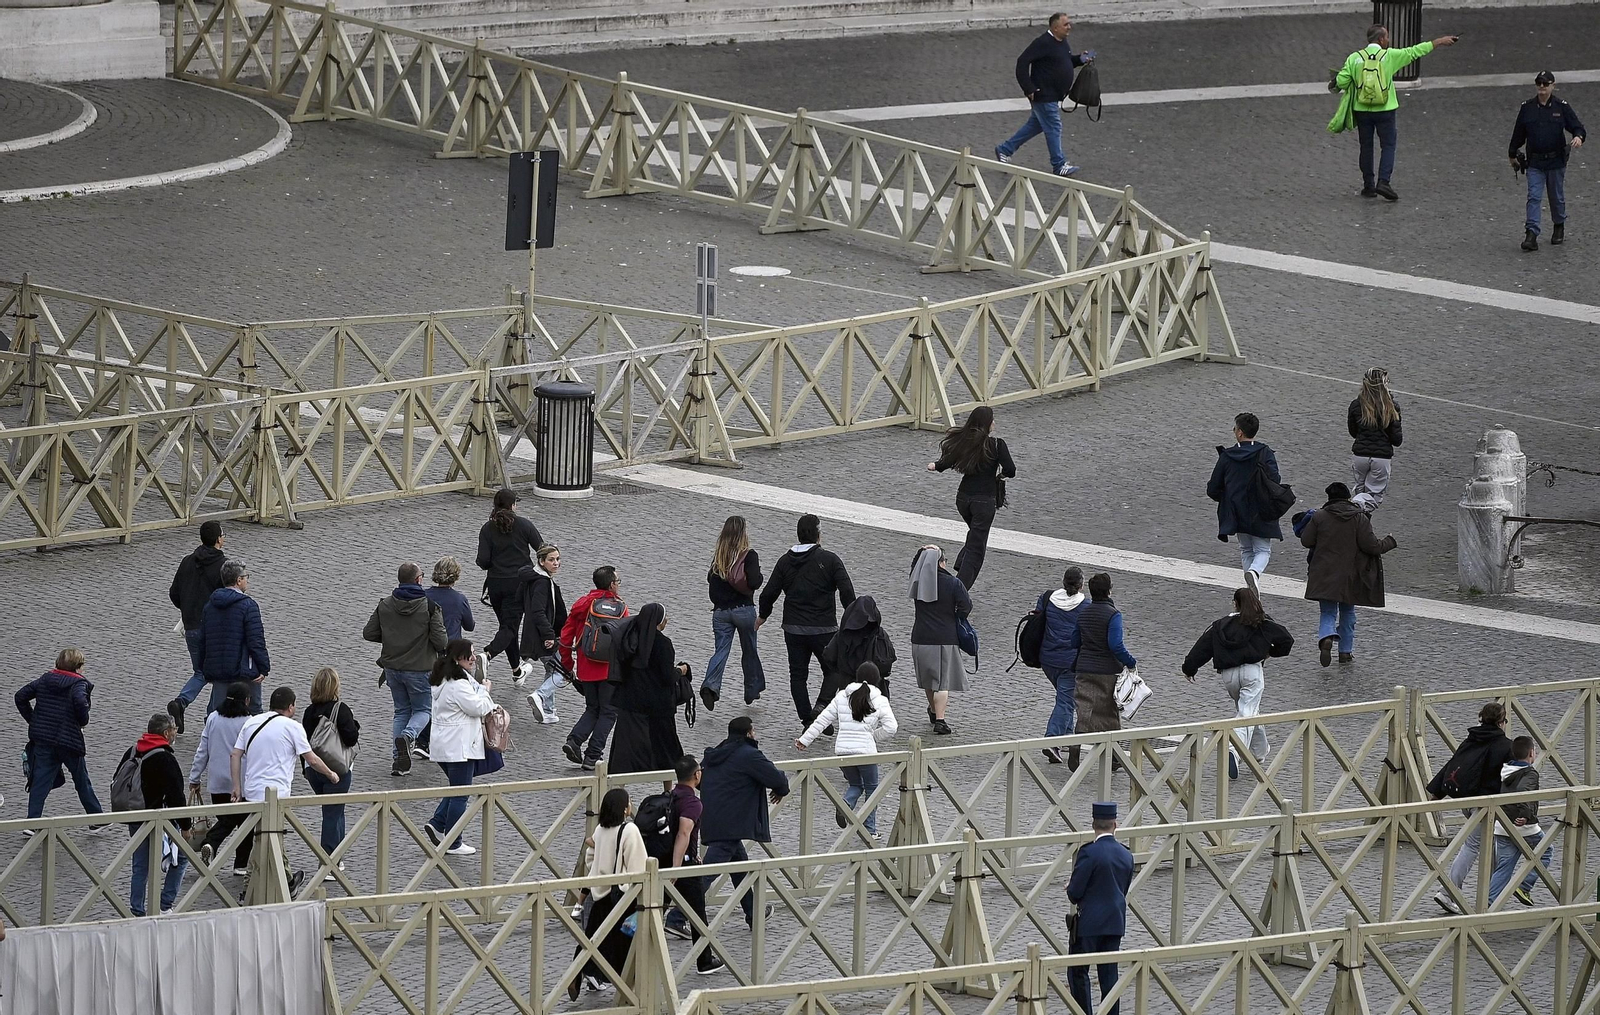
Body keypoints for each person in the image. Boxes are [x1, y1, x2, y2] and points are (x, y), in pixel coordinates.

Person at [1330, 25, 1459, 200]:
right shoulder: (1389, 56)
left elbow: (1342, 81)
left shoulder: (1354, 58)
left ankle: (1368, 186)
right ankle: (1384, 182)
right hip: (1386, 109)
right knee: (1388, 145)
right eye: (1387, 37)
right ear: (1381, 40)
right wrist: (1439, 41)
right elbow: (1414, 52)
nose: (1388, 40)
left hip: (1362, 110)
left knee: (1366, 147)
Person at [1180, 588, 1294, 780]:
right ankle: (1233, 750)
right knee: (1246, 713)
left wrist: (1189, 668)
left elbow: (1202, 648)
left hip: (1229, 676)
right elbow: (1287, 640)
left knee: (1248, 710)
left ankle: (1259, 752)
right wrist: (1270, 652)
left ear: (1235, 603)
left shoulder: (1220, 626)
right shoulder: (1262, 623)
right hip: (1252, 672)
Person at [758, 515, 857, 728]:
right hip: (824, 629)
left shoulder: (784, 562)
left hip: (793, 629)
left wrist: (763, 615)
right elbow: (847, 591)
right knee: (835, 670)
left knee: (798, 675)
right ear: (819, 535)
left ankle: (806, 718)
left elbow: (768, 594)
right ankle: (821, 708)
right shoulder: (830, 560)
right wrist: (852, 618)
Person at [699, 716, 790, 927]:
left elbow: (700, 780)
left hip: (713, 815)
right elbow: (776, 779)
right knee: (706, 872)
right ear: (749, 733)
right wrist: (780, 788)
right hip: (731, 822)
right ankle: (678, 915)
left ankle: (753, 912)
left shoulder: (717, 752)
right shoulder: (749, 755)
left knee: (739, 864)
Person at [1426, 701, 1513, 915]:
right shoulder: (1506, 746)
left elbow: (1453, 764)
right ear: (1502, 722)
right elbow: (1513, 779)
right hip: (1486, 804)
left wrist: (1436, 793)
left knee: (1490, 841)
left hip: (1467, 800)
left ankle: (1492, 894)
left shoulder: (1471, 739)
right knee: (1473, 845)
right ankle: (1448, 892)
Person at [1300, 482, 1398, 666]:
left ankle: (1327, 637)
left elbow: (1306, 540)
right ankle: (1345, 652)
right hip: (1351, 575)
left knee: (1328, 612)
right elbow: (1372, 546)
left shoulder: (1320, 516)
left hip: (1324, 573)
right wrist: (1390, 541)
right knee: (1348, 613)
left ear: (1329, 498)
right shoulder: (1359, 518)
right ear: (1347, 498)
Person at [364, 561, 448, 776]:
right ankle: (410, 736)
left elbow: (369, 633)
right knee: (423, 710)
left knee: (401, 711)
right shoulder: (429, 607)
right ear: (419, 579)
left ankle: (398, 762)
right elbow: (441, 642)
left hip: (392, 668)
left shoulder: (385, 604)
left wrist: (392, 635)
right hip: (421, 669)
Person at [796, 662, 898, 838]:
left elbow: (822, 720)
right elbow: (891, 728)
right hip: (865, 752)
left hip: (843, 750)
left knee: (856, 784)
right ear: (877, 680)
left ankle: (845, 805)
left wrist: (805, 740)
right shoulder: (879, 700)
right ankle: (869, 830)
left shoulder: (842, 696)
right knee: (872, 789)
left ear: (856, 677)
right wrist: (873, 736)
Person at [927, 405, 1017, 590]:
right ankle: (959, 590)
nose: (994, 422)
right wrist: (1000, 476)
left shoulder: (965, 442)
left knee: (975, 535)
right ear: (987, 423)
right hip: (984, 502)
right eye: (992, 419)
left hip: (963, 499)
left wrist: (936, 465)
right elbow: (1011, 470)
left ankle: (962, 560)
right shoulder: (997, 445)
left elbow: (947, 461)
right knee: (977, 548)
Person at [571, 787, 648, 999]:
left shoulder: (600, 830)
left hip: (599, 895)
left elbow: (590, 859)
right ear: (625, 809)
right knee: (623, 944)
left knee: (593, 939)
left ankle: (578, 971)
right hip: (621, 896)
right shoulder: (629, 830)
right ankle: (631, 992)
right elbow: (638, 866)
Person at [994, 13, 1093, 177]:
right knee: (1054, 126)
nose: (1070, 26)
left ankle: (1005, 149)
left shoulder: (1061, 42)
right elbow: (1022, 62)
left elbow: (1065, 61)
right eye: (1066, 24)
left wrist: (1081, 59)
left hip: (1053, 95)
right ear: (1055, 28)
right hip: (1043, 94)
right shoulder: (1043, 43)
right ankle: (1059, 164)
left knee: (1036, 125)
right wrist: (1029, 88)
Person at [422, 639, 495, 855]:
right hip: (459, 747)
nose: (473, 658)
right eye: (469, 655)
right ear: (457, 658)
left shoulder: (443, 679)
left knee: (457, 788)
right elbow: (479, 707)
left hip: (445, 745)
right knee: (461, 794)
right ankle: (453, 841)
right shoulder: (458, 684)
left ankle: (437, 824)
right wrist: (485, 690)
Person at [16, 648, 103, 827]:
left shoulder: (45, 679)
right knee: (81, 780)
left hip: (44, 740)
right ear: (78, 667)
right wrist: (82, 719)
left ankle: (32, 823)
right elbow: (80, 703)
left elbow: (20, 696)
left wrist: (33, 721)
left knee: (39, 780)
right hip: (69, 741)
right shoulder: (79, 684)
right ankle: (96, 818)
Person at [660, 755, 729, 974]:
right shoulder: (692, 802)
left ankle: (626, 953)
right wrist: (677, 866)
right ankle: (704, 960)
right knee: (698, 914)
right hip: (682, 866)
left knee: (649, 910)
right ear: (696, 775)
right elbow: (684, 833)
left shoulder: (669, 796)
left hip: (661, 862)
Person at [1066, 801, 1133, 1015]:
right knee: (1109, 974)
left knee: (1079, 972)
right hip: (1115, 921)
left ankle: (1084, 1012)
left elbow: (1075, 893)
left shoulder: (1089, 853)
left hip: (1088, 923)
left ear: (1094, 824)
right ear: (1115, 824)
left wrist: (1071, 886)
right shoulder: (1126, 855)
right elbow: (1123, 887)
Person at [119, 713, 190, 916]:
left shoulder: (134, 750)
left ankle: (138, 910)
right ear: (166, 733)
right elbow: (177, 795)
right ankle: (164, 905)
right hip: (160, 820)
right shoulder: (165, 758)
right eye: (175, 729)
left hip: (135, 814)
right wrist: (185, 826)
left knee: (140, 865)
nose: (176, 732)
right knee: (182, 857)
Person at [1207, 411, 1284, 594]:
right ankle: (1254, 574)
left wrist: (1227, 499)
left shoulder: (1227, 456)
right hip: (1261, 509)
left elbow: (1213, 488)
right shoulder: (1264, 453)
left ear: (1240, 432)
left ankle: (1251, 588)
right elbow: (1275, 479)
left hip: (1237, 510)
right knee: (1263, 550)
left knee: (1246, 550)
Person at [607, 603, 689, 776]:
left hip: (630, 701)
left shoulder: (629, 638)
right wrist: (681, 670)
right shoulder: (663, 644)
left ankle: (617, 786)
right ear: (658, 621)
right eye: (665, 617)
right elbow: (667, 677)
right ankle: (669, 788)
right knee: (667, 750)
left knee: (625, 751)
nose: (667, 620)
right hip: (658, 706)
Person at [560, 566, 627, 771]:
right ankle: (592, 756)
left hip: (586, 667)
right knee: (609, 712)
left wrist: (567, 665)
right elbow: (626, 639)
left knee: (592, 707)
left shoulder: (582, 605)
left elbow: (565, 636)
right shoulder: (620, 608)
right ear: (611, 584)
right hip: (609, 669)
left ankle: (574, 740)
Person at [1068, 572, 1137, 771]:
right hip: (1107, 670)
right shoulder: (1113, 614)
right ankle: (1114, 757)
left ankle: (1075, 746)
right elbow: (1115, 645)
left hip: (1084, 668)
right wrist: (1130, 662)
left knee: (1084, 709)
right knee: (1109, 712)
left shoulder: (1084, 613)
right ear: (1109, 591)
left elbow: (1074, 642)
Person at [1511, 71, 1586, 251]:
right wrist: (1512, 153)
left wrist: (1578, 137)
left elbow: (1577, 127)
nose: (1542, 87)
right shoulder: (1527, 108)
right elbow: (1518, 134)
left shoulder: (1561, 107)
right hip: (1535, 161)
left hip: (1555, 161)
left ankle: (1559, 224)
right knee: (1534, 196)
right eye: (1539, 84)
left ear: (1553, 85)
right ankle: (1531, 233)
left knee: (1556, 197)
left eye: (1545, 84)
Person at [476, 487, 543, 685]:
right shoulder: (524, 525)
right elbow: (541, 548)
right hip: (519, 584)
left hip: (496, 585)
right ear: (513, 505)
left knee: (507, 627)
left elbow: (483, 560)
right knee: (509, 627)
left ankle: (517, 671)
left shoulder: (487, 529)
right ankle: (487, 654)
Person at [166, 520, 228, 734]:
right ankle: (210, 715)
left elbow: (174, 593)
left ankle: (182, 703)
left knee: (201, 672)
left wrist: (188, 610)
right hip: (213, 629)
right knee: (217, 673)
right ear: (219, 539)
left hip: (191, 626)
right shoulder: (224, 566)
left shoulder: (187, 561)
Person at [701, 515, 766, 713]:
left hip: (720, 613)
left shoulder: (719, 556)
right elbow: (754, 582)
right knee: (749, 649)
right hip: (744, 611)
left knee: (721, 650)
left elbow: (710, 579)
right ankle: (752, 689)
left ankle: (710, 686)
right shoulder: (749, 555)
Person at [189, 681, 255, 875]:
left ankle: (213, 845)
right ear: (247, 701)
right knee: (245, 825)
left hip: (217, 783)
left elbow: (203, 750)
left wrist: (195, 776)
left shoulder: (213, 718)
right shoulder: (248, 723)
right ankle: (238, 862)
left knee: (228, 819)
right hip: (240, 783)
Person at [909, 545, 972, 736]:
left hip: (920, 638)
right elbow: (966, 606)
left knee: (929, 680)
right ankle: (941, 720)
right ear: (941, 562)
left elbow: (913, 568)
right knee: (942, 683)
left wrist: (920, 551)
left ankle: (934, 710)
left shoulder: (917, 581)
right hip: (944, 639)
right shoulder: (953, 584)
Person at [302, 667, 359, 877]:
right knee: (332, 814)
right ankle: (327, 861)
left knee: (336, 810)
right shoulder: (340, 709)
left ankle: (338, 854)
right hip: (337, 769)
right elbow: (351, 738)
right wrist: (355, 726)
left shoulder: (309, 712)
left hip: (313, 769)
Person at [195, 559, 269, 715]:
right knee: (254, 711)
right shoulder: (248, 606)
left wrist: (203, 668)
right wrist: (263, 667)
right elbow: (255, 640)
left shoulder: (210, 606)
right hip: (244, 670)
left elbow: (202, 640)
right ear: (239, 580)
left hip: (218, 669)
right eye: (246, 576)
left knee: (218, 712)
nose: (247, 580)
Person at [1489, 736, 1554, 907]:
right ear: (1532, 753)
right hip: (1524, 826)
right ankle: (1524, 886)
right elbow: (1522, 791)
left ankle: (1489, 904)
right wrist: (1525, 814)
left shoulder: (1506, 770)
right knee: (1546, 851)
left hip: (1502, 825)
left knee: (1504, 867)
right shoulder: (1530, 773)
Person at [817, 595, 896, 716]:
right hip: (873, 687)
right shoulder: (879, 634)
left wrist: (841, 668)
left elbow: (829, 655)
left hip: (847, 684)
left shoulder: (843, 634)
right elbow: (887, 662)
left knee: (848, 717)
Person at [1039, 567, 1087, 763]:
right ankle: (1052, 740)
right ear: (1081, 584)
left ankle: (1067, 737)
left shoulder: (1047, 598)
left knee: (1065, 697)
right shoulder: (1086, 606)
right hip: (1070, 661)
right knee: (1066, 701)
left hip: (1047, 659)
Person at [518, 544, 569, 725]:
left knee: (552, 669)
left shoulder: (536, 579)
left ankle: (548, 710)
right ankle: (540, 695)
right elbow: (538, 611)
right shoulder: (543, 582)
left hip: (538, 634)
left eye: (557, 559)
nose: (556, 563)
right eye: (551, 560)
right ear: (541, 561)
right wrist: (549, 635)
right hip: (545, 635)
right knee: (564, 672)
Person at [1348, 368, 1403, 512]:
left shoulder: (1356, 405)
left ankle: (1358, 523)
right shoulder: (1391, 407)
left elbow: (1353, 432)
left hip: (1360, 455)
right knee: (1374, 497)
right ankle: (1349, 508)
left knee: (1361, 493)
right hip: (1381, 458)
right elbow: (1397, 439)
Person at [425, 556, 476, 639]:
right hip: (452, 647)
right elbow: (469, 627)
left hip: (428, 646)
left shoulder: (424, 595)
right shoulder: (460, 599)